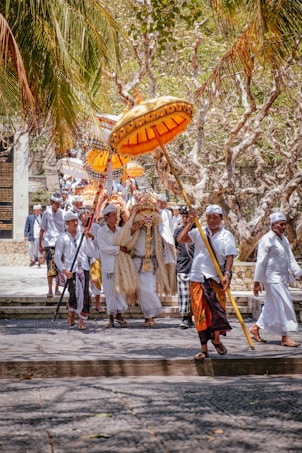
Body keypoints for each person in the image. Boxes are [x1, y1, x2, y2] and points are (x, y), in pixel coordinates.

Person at [177, 204, 237, 359]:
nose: (211, 220)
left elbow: (230, 256)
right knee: (199, 314)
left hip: (216, 278)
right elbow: (181, 239)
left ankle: (216, 340)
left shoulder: (227, 235)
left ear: (221, 219)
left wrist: (227, 274)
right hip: (197, 277)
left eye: (215, 217)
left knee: (218, 312)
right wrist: (190, 221)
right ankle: (204, 349)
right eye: (209, 217)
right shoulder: (199, 232)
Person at [114, 192, 176, 327]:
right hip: (136, 262)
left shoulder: (158, 228)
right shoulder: (133, 227)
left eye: (150, 212)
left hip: (151, 263)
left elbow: (166, 238)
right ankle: (148, 317)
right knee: (140, 289)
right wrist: (132, 230)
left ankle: (150, 316)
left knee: (148, 289)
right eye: (144, 211)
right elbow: (124, 243)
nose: (147, 216)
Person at [249, 212, 302, 347]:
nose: (283, 227)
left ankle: (255, 328)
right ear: (273, 225)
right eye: (281, 224)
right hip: (272, 279)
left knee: (271, 307)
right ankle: (285, 337)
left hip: (282, 278)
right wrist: (257, 282)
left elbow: (290, 258)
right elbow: (261, 262)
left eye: (285, 224)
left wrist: (298, 273)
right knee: (282, 305)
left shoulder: (283, 239)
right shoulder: (266, 240)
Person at [54, 211, 97, 330]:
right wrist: (63, 270)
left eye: (76, 220)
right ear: (67, 223)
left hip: (83, 268)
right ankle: (71, 313)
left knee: (85, 294)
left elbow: (92, 253)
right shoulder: (62, 238)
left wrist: (89, 239)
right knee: (73, 293)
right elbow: (57, 256)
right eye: (72, 220)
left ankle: (81, 320)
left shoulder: (82, 236)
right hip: (70, 270)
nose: (75, 222)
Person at [96, 203, 128, 328]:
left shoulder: (120, 231)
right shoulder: (101, 232)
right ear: (107, 217)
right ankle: (111, 317)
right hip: (108, 266)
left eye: (116, 215)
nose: (116, 218)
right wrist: (118, 248)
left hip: (120, 266)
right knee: (109, 292)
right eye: (113, 215)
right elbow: (103, 248)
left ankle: (120, 314)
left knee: (121, 291)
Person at [39, 193, 65, 298]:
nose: (58, 205)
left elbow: (66, 228)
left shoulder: (63, 213)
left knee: (60, 267)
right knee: (50, 267)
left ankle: (57, 288)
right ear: (51, 202)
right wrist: (40, 245)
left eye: (59, 203)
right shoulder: (46, 213)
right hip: (50, 243)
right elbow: (42, 230)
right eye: (56, 203)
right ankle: (50, 289)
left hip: (61, 243)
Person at [174, 207, 195, 329]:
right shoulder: (178, 231)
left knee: (195, 296)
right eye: (183, 216)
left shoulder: (198, 231)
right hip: (183, 266)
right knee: (184, 295)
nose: (185, 218)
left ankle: (195, 317)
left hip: (196, 268)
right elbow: (178, 244)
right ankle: (186, 318)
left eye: (187, 216)